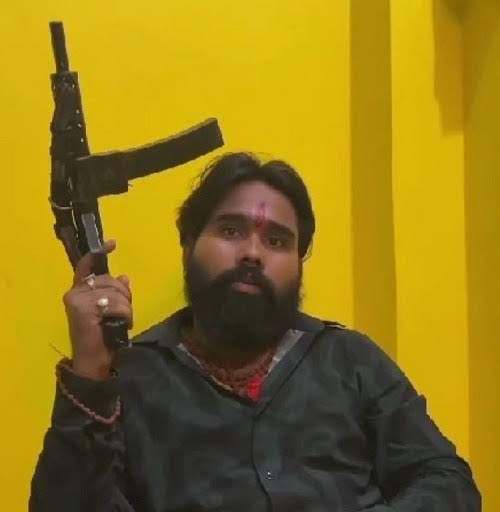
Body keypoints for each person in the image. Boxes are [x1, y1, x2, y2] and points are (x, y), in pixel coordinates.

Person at [30, 152, 481, 511]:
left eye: (277, 241)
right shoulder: (128, 379)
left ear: (299, 264)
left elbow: (448, 483)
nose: (252, 253)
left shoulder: (351, 361)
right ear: (188, 246)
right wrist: (89, 373)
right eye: (230, 230)